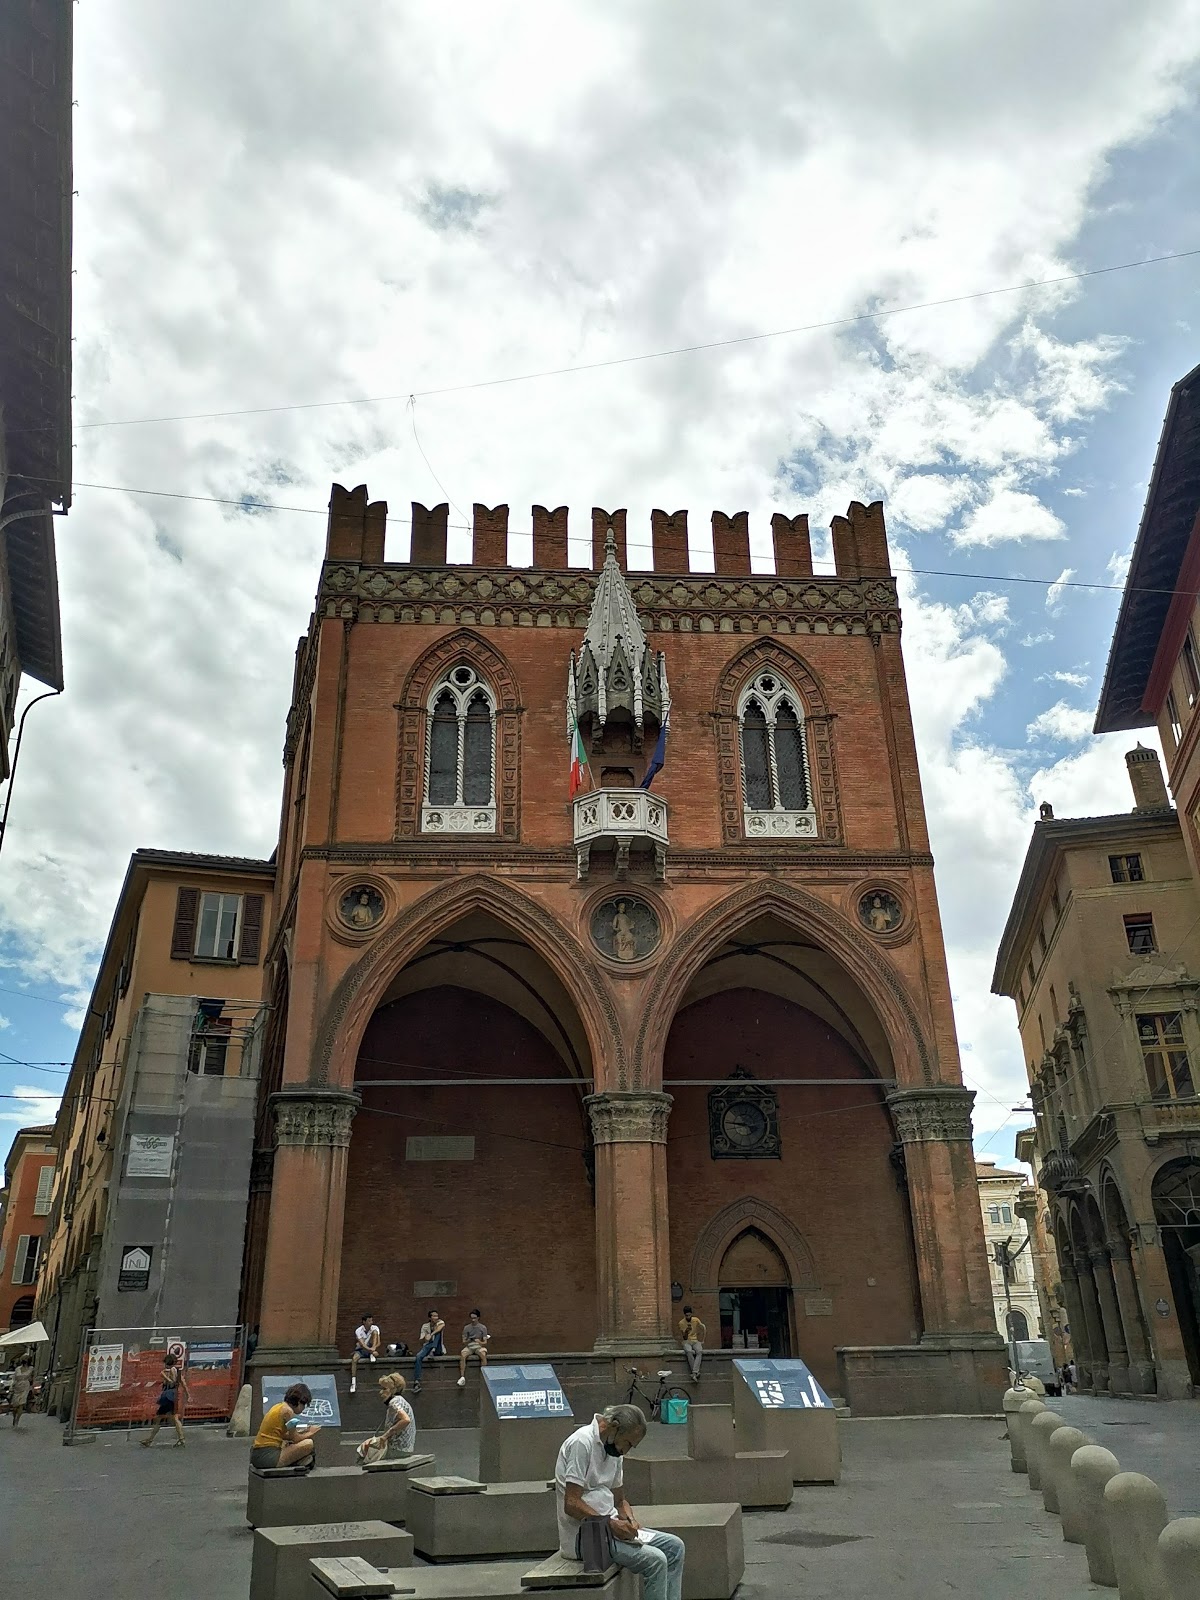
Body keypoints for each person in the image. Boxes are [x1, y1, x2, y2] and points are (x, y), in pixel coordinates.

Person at [555, 1403, 684, 1600]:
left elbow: (620, 1500)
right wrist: (611, 1524)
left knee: (675, 1547)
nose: (627, 1450)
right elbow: (571, 1503)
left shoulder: (615, 1451)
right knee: (656, 1561)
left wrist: (630, 1519)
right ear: (613, 1426)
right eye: (628, 1443)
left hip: (611, 1528)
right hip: (586, 1537)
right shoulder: (582, 1443)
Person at [251, 1382, 321, 1470]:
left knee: (288, 1444)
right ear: (299, 1402)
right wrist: (310, 1432)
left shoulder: (278, 1407)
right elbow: (295, 1439)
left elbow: (283, 1435)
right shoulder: (288, 1412)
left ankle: (298, 1461)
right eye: (304, 1405)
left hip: (257, 1455)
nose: (303, 1409)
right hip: (268, 1456)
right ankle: (296, 1462)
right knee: (309, 1443)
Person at [357, 1372, 416, 1463]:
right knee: (367, 1446)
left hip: (397, 1450)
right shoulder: (401, 1400)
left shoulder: (394, 1402)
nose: (381, 1392)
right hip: (405, 1449)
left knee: (364, 1454)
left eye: (384, 1389)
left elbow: (406, 1419)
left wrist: (384, 1436)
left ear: (393, 1390)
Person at [140, 1353, 191, 1448]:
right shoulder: (178, 1371)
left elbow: (170, 1380)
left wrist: (165, 1377)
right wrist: (188, 1395)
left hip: (168, 1396)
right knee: (174, 1418)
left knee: (160, 1418)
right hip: (174, 1396)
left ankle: (150, 1440)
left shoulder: (170, 1370)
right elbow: (183, 1383)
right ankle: (181, 1439)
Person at [411, 1309, 445, 1394]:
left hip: (438, 1348)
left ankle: (433, 1350)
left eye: (437, 1316)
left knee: (438, 1332)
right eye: (434, 1316)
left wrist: (431, 1334)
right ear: (430, 1318)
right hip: (428, 1346)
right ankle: (417, 1381)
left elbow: (440, 1327)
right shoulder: (425, 1326)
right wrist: (424, 1338)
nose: (436, 1318)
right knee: (418, 1357)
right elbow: (421, 1341)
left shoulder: (440, 1322)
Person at [457, 1309, 490, 1387]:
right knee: (463, 1355)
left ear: (478, 1318)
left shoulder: (483, 1328)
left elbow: (485, 1342)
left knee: (483, 1355)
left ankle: (483, 1375)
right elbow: (463, 1341)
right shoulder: (467, 1328)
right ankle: (462, 1377)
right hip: (469, 1345)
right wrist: (468, 1340)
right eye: (471, 1318)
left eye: (474, 1318)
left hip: (478, 1346)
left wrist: (479, 1342)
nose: (473, 1320)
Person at [351, 1312, 381, 1394]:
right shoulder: (358, 1331)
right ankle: (353, 1382)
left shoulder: (375, 1328)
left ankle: (372, 1354)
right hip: (362, 1349)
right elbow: (362, 1344)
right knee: (354, 1359)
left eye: (371, 1321)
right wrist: (370, 1349)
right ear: (364, 1322)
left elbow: (378, 1342)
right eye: (369, 1321)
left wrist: (373, 1348)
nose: (371, 1323)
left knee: (374, 1333)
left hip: (372, 1347)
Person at [677, 1306, 705, 1382]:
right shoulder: (681, 1323)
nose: (688, 1317)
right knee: (689, 1351)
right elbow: (684, 1338)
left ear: (691, 1314)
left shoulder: (696, 1320)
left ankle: (694, 1372)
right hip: (687, 1341)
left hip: (695, 1340)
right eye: (686, 1316)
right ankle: (695, 1372)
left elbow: (703, 1327)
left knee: (699, 1351)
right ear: (684, 1315)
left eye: (689, 1315)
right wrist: (686, 1331)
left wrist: (702, 1339)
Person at [9, 1355, 34, 1427]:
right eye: (23, 1359)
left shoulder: (31, 1369)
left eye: (26, 1359)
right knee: (15, 1406)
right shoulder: (17, 1369)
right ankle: (14, 1417)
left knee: (21, 1404)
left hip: (25, 1387)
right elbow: (14, 1379)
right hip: (17, 1387)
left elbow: (32, 1378)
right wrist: (12, 1387)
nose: (25, 1360)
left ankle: (17, 1420)